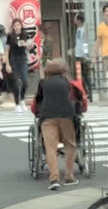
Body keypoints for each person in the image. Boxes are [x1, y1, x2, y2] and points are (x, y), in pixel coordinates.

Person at [32, 58, 87, 190]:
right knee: (70, 145)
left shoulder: (43, 83)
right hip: (67, 117)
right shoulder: (70, 84)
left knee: (50, 148)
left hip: (48, 117)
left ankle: (54, 178)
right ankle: (69, 176)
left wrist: (37, 112)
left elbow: (36, 103)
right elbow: (82, 102)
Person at [6, 19, 32, 113]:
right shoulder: (10, 36)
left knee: (25, 81)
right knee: (16, 83)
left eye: (18, 25)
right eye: (15, 25)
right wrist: (7, 64)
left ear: (21, 26)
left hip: (23, 59)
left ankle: (22, 100)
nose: (17, 27)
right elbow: (7, 50)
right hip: (13, 59)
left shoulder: (25, 35)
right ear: (13, 27)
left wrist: (26, 44)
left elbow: (30, 47)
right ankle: (17, 103)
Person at [72, 12, 93, 103]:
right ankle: (83, 92)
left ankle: (89, 92)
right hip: (78, 55)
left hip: (83, 56)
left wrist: (86, 54)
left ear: (79, 20)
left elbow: (85, 43)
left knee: (85, 74)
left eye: (75, 18)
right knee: (79, 75)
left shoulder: (84, 30)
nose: (74, 20)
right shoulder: (78, 29)